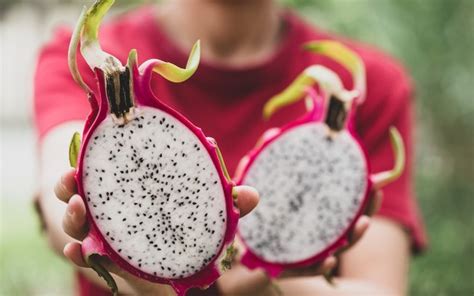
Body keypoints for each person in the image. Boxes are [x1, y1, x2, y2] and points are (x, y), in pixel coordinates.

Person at [34, 0, 426, 295]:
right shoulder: (86, 60)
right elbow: (61, 205)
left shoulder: (370, 85)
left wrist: (232, 276)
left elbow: (377, 288)